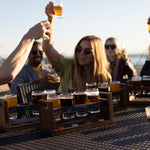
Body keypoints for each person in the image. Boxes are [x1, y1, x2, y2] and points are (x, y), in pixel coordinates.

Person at [42, 2, 111, 93]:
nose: (81, 53)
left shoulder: (105, 77)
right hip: (65, 107)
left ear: (97, 54)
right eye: (79, 49)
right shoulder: (68, 66)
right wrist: (50, 19)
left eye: (87, 51)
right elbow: (47, 48)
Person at [0, 20, 51, 85]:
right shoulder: (20, 71)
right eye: (34, 52)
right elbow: (6, 75)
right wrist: (30, 36)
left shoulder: (49, 69)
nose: (38, 54)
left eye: (40, 52)